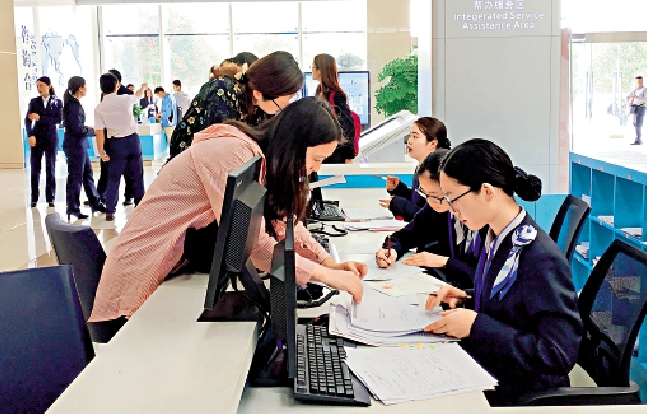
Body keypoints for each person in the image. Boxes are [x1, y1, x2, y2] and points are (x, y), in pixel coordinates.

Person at [89, 98, 366, 323]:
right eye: (316, 159)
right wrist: (329, 277)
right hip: (136, 282)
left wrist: (328, 263)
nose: (316, 168)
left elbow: (283, 221)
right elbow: (255, 247)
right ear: (293, 146)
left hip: (165, 276)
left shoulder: (257, 160)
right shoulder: (234, 153)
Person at [423, 139, 582, 406]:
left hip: (520, 390)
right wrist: (467, 298)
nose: (452, 210)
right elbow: (516, 306)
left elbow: (557, 354)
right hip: (493, 368)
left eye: (454, 199)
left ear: (487, 192)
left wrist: (476, 326)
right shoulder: (495, 234)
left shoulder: (539, 257)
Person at [375, 149, 485, 289]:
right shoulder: (436, 208)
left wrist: (445, 262)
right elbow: (408, 234)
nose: (430, 202)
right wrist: (390, 251)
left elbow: (485, 276)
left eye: (435, 195)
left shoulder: (483, 220)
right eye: (424, 194)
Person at [169, 51, 301, 160]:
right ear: (259, 93)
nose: (285, 105)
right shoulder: (221, 91)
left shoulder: (259, 105)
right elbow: (219, 153)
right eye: (287, 98)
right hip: (187, 175)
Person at [94, 74, 146, 221]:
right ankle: (139, 205)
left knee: (113, 178)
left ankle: (110, 210)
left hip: (116, 144)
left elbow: (99, 132)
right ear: (116, 85)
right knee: (137, 175)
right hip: (133, 141)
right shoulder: (125, 99)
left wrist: (101, 151)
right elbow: (138, 95)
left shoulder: (99, 108)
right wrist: (143, 87)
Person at [380, 117, 452, 221]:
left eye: (415, 137)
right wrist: (400, 189)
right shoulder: (421, 168)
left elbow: (430, 219)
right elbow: (419, 202)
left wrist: (399, 204)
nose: (409, 141)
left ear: (432, 144)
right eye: (410, 136)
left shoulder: (438, 173)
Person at [62, 76, 106, 220]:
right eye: (85, 85)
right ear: (80, 87)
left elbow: (78, 126)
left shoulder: (74, 103)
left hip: (80, 145)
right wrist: (92, 131)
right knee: (76, 178)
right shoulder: (72, 106)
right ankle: (73, 208)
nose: (86, 88)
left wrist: (87, 128)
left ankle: (95, 202)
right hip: (75, 146)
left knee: (88, 175)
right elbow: (76, 129)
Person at [25, 76, 62, 208]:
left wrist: (40, 117)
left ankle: (50, 197)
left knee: (50, 168)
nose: (38, 88)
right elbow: (28, 119)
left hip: (51, 137)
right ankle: (34, 197)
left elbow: (58, 119)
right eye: (37, 86)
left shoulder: (57, 102)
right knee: (35, 168)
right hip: (37, 136)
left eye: (41, 85)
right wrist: (30, 135)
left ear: (49, 86)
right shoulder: (34, 102)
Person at [312, 53, 355, 164]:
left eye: (313, 67)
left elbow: (348, 125)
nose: (311, 70)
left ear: (320, 70)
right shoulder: (319, 91)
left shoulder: (335, 95)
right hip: (321, 150)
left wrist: (348, 156)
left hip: (336, 153)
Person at [629, 74, 646, 145]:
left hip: (641, 107)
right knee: (635, 123)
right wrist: (631, 101)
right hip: (635, 107)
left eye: (639, 80)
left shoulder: (644, 89)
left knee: (638, 124)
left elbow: (646, 99)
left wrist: (637, 97)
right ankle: (637, 138)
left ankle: (638, 139)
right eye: (637, 80)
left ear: (642, 81)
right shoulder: (635, 90)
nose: (638, 82)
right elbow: (631, 97)